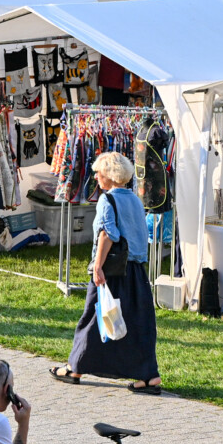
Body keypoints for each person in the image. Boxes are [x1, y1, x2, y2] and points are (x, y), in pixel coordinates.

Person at [51, 152, 162, 393]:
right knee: (138, 322)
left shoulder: (107, 199)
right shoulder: (135, 200)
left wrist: (98, 266)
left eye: (98, 172)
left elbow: (107, 234)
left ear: (110, 175)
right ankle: (149, 376)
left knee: (95, 317)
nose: (95, 177)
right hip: (136, 271)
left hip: (112, 270)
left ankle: (75, 367)